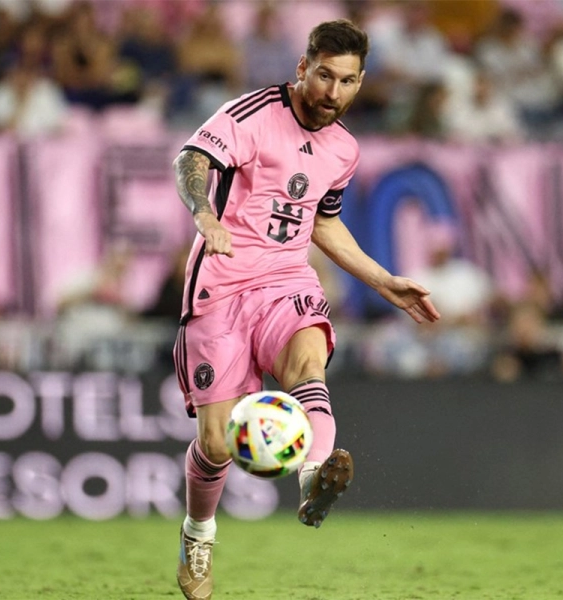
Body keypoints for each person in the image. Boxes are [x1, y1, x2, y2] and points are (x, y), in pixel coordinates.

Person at [170, 19, 440, 600]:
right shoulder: (251, 114)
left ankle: (315, 478)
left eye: (346, 82)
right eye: (324, 76)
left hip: (286, 278)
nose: (332, 93)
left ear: (360, 82)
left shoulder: (344, 149)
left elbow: (323, 221)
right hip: (219, 285)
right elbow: (190, 161)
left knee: (307, 362)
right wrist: (205, 216)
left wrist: (382, 279)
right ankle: (198, 536)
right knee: (217, 445)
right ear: (302, 67)